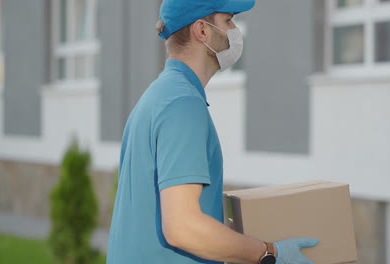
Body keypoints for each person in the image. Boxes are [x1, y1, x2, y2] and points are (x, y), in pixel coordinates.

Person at [106, 0, 319, 263]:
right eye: (228, 20)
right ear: (202, 31)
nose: (234, 30)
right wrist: (270, 253)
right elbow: (182, 228)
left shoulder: (160, 95)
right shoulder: (182, 104)